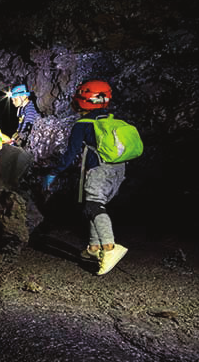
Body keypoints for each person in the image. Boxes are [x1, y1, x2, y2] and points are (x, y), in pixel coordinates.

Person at [43, 79, 128, 275]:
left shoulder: (83, 124)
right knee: (94, 206)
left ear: (83, 100)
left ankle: (110, 248)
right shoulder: (112, 119)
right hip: (119, 170)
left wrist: (53, 173)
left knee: (93, 205)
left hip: (99, 170)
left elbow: (70, 154)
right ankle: (94, 248)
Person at [10, 84, 40, 151]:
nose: (13, 102)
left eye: (15, 99)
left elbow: (27, 126)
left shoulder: (30, 109)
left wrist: (19, 139)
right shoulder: (21, 109)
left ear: (24, 96)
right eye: (12, 100)